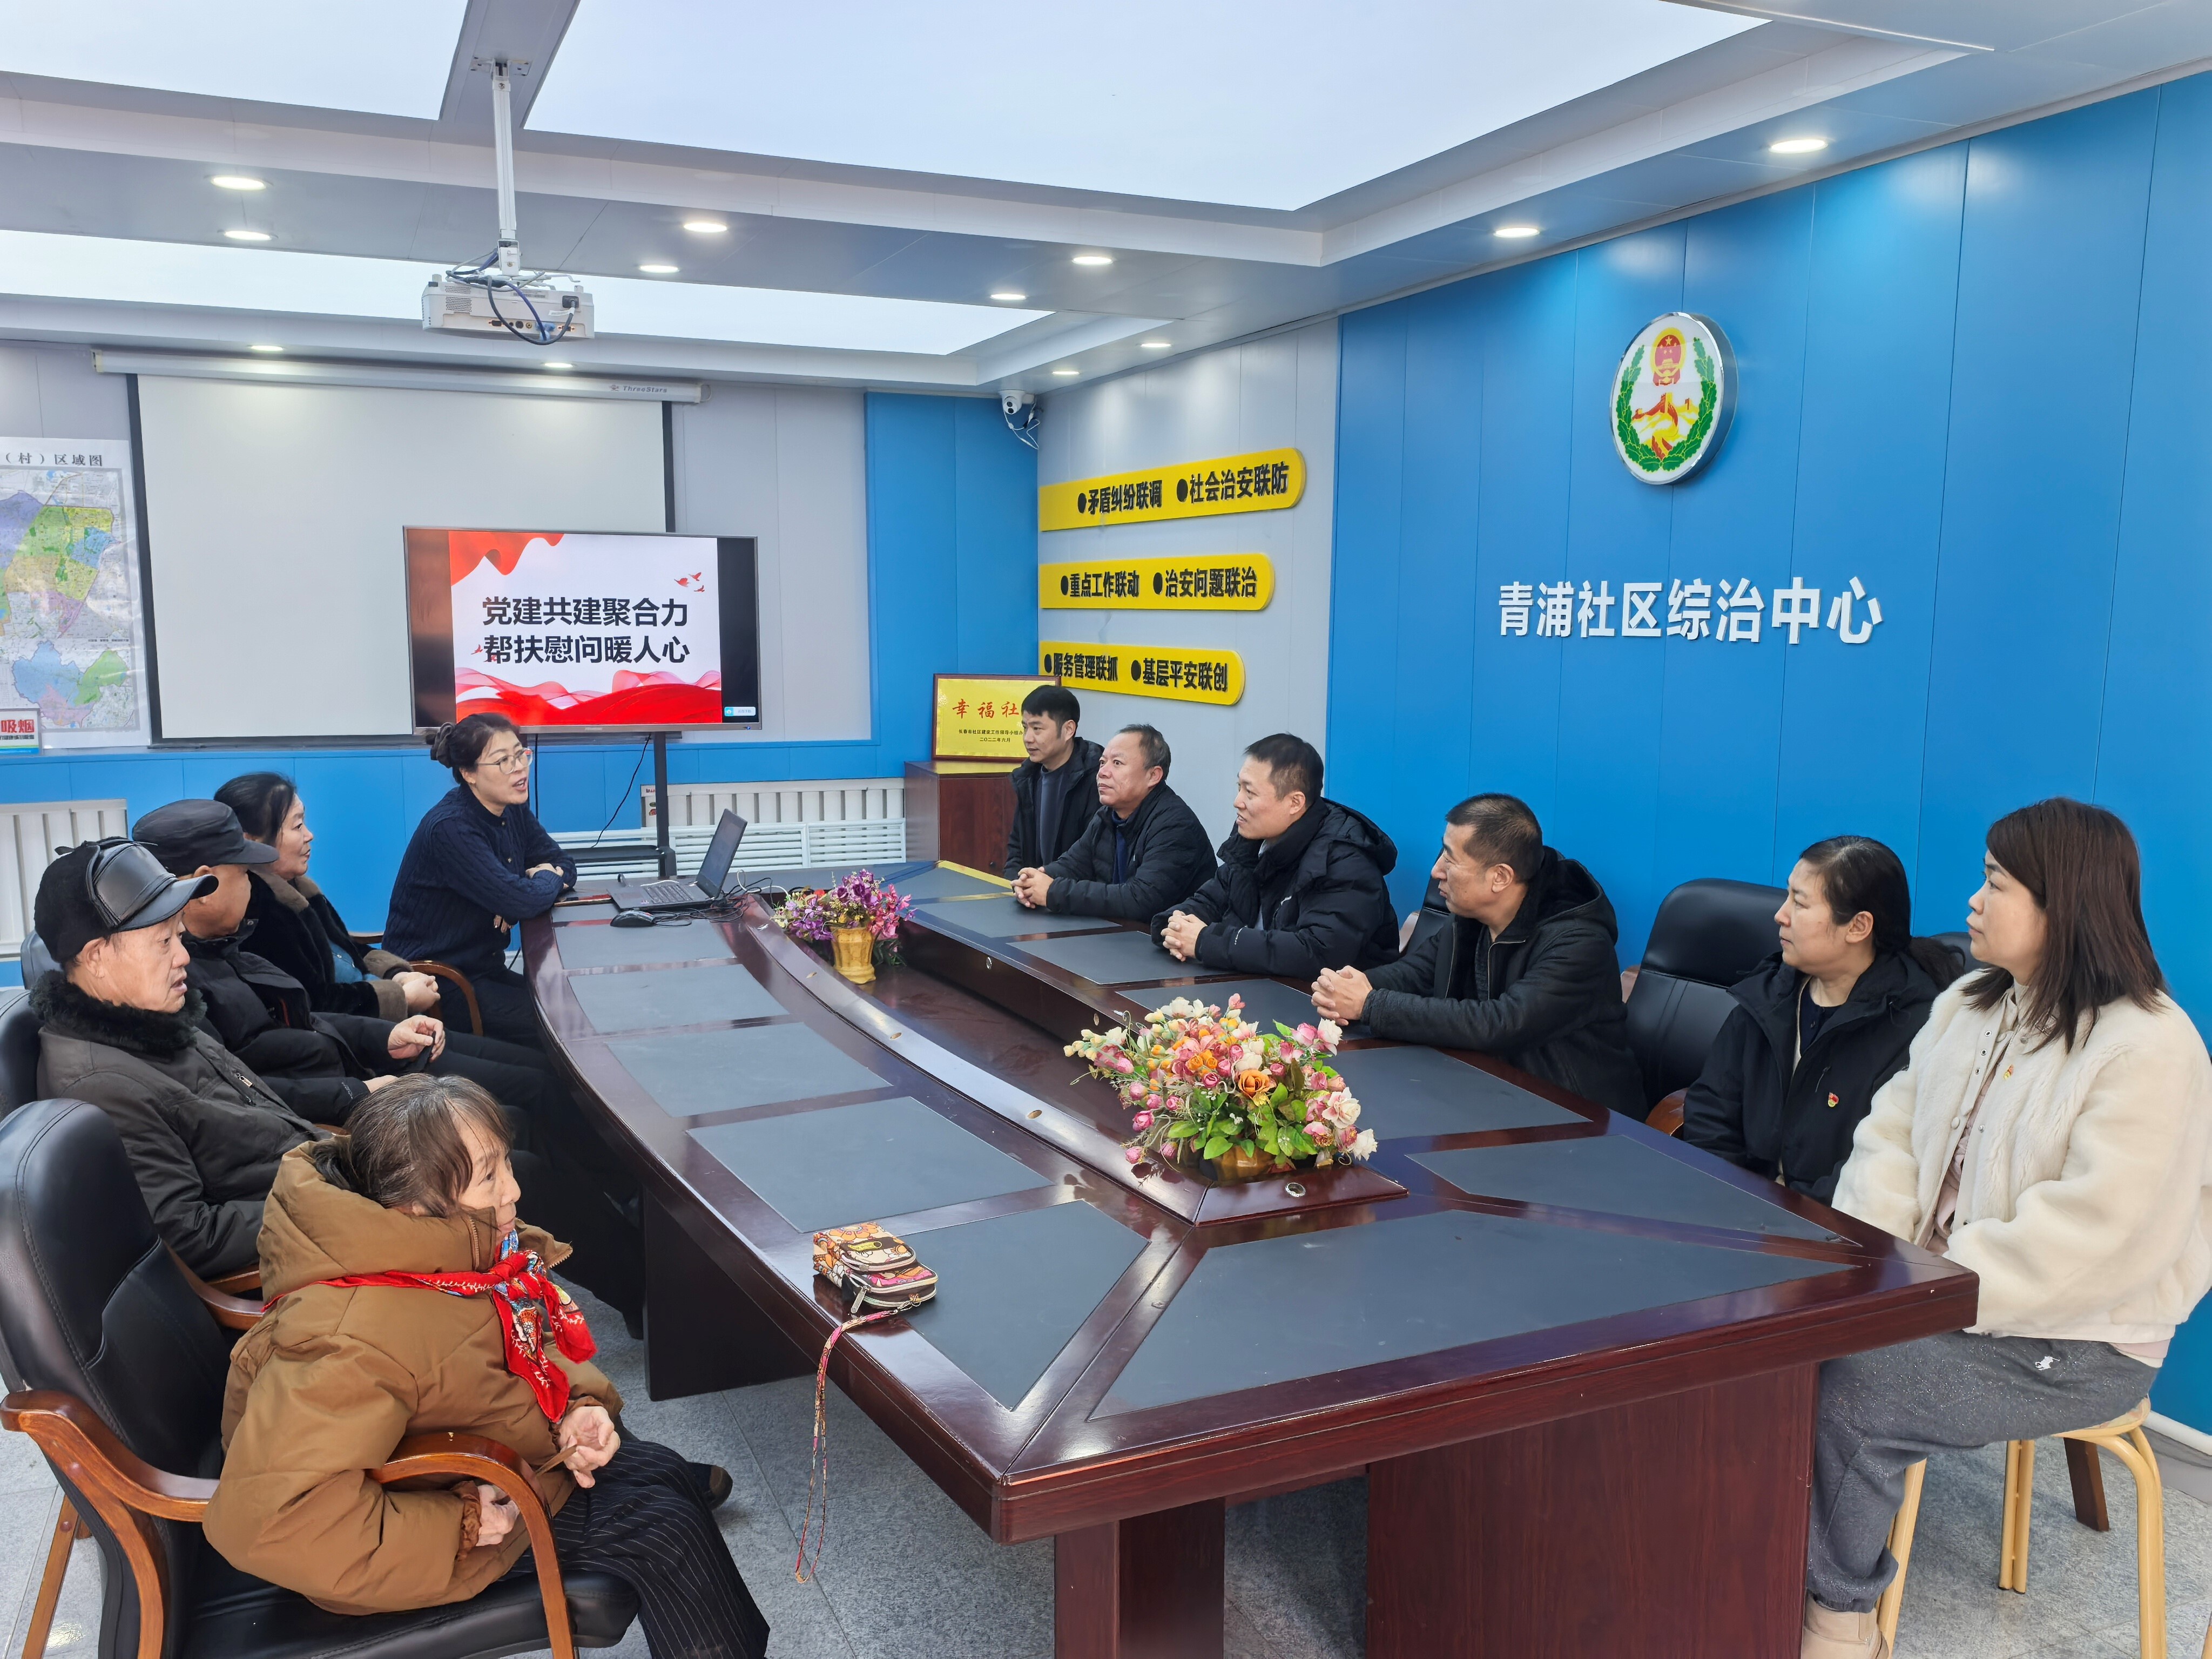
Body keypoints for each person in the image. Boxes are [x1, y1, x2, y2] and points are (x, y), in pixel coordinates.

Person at [1800, 799, 2212, 1659]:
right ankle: (1756, 1562)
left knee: (1857, 1392)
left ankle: (1837, 1622)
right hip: (1933, 1292)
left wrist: (1922, 1290)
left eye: (1996, 883)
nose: (1973, 902)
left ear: (2065, 902)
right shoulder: (1968, 1003)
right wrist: (1882, 1263)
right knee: (1780, 1350)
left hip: (2079, 1340)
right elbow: (1890, 1137)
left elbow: (2096, 1239)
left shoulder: (2150, 1047)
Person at [202, 1077, 768, 1659]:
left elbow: (512, 1343)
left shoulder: (449, 1256)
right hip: (411, 1541)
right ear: (414, 1204)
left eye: (506, 1165)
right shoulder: (350, 1338)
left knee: (664, 1471)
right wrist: (462, 1524)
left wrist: (576, 1407)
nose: (514, 1189)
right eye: (489, 1177)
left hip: (491, 1461)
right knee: (665, 1533)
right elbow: (269, 1522)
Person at [29, 839, 323, 1278]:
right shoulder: (100, 1087)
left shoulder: (153, 1023)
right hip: (304, 1254)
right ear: (97, 958)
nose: (184, 957)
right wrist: (329, 1206)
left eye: (180, 936)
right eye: (163, 941)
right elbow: (190, 1238)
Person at [1310, 793, 1645, 1118]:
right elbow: (1416, 973)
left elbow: (1502, 1023)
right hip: (1486, 1090)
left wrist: (1370, 1004)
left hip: (1575, 1115)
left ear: (1500, 877)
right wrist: (1349, 987)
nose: (1436, 871)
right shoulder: (1470, 918)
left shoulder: (1579, 942)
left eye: (1450, 859)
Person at [136, 798, 446, 1125]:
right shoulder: (178, 984)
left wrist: (385, 1038)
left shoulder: (228, 953)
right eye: (244, 874)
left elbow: (305, 1021)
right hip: (326, 1119)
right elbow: (233, 1090)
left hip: (351, 1079)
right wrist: (355, 1093)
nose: (251, 885)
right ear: (204, 886)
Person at [1680, 836, 1956, 1200]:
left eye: (1800, 903)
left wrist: (1784, 1219)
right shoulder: (1767, 997)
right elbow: (1711, 1114)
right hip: (1739, 1206)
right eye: (1788, 897)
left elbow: (1876, 1169)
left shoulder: (1914, 1027)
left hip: (1831, 1223)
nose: (1781, 915)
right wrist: (1729, 1200)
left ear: (1858, 927)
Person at [385, 714, 577, 1048]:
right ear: (469, 773)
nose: (519, 768)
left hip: (484, 970)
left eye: (521, 755)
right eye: (503, 761)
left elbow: (564, 864)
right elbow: (526, 897)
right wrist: (540, 881)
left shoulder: (511, 808)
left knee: (575, 1007)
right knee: (566, 1025)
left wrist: (524, 891)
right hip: (441, 984)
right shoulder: (452, 828)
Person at [1152, 734, 1398, 980]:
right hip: (1253, 984)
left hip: (1318, 997)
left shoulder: (1345, 860)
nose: (1237, 802)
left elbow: (1318, 954)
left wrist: (1207, 942)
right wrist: (1175, 926)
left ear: (1295, 803)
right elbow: (1210, 900)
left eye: (1250, 792)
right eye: (1239, 787)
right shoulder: (1252, 839)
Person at [214, 771, 443, 1022]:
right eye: (297, 826)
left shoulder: (300, 889)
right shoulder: (263, 912)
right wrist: (402, 997)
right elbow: (316, 1005)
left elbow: (345, 951)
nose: (309, 835)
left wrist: (397, 975)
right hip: (362, 1034)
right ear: (251, 841)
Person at [1012, 724, 1215, 920]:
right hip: (1117, 933)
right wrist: (1035, 880)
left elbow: (1141, 899)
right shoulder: (1107, 815)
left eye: (1117, 763)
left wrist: (1053, 892)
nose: (1102, 772)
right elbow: (1074, 865)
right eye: (1102, 762)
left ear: (1153, 775)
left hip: (1160, 938)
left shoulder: (1175, 825)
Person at [1002, 685, 1101, 878]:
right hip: (1032, 890)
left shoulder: (1096, 778)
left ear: (1068, 730)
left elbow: (1093, 858)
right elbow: (1016, 849)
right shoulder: (1027, 778)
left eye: (1037, 729)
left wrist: (1050, 889)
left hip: (1072, 892)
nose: (1028, 738)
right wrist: (1017, 883)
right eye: (1025, 728)